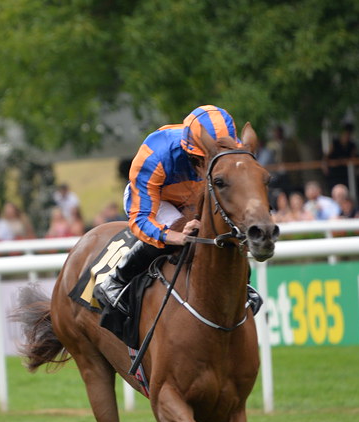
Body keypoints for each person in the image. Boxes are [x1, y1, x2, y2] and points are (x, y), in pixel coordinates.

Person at [94, 104, 246, 314]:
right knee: (184, 233)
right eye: (207, 160)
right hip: (157, 202)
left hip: (197, 200)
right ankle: (117, 278)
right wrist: (175, 236)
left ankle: (243, 287)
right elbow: (141, 220)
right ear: (193, 154)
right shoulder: (154, 155)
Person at [324, 122, 359, 191]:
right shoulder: (335, 143)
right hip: (334, 172)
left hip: (345, 172)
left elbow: (354, 157)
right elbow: (326, 156)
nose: (347, 136)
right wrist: (326, 166)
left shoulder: (352, 145)